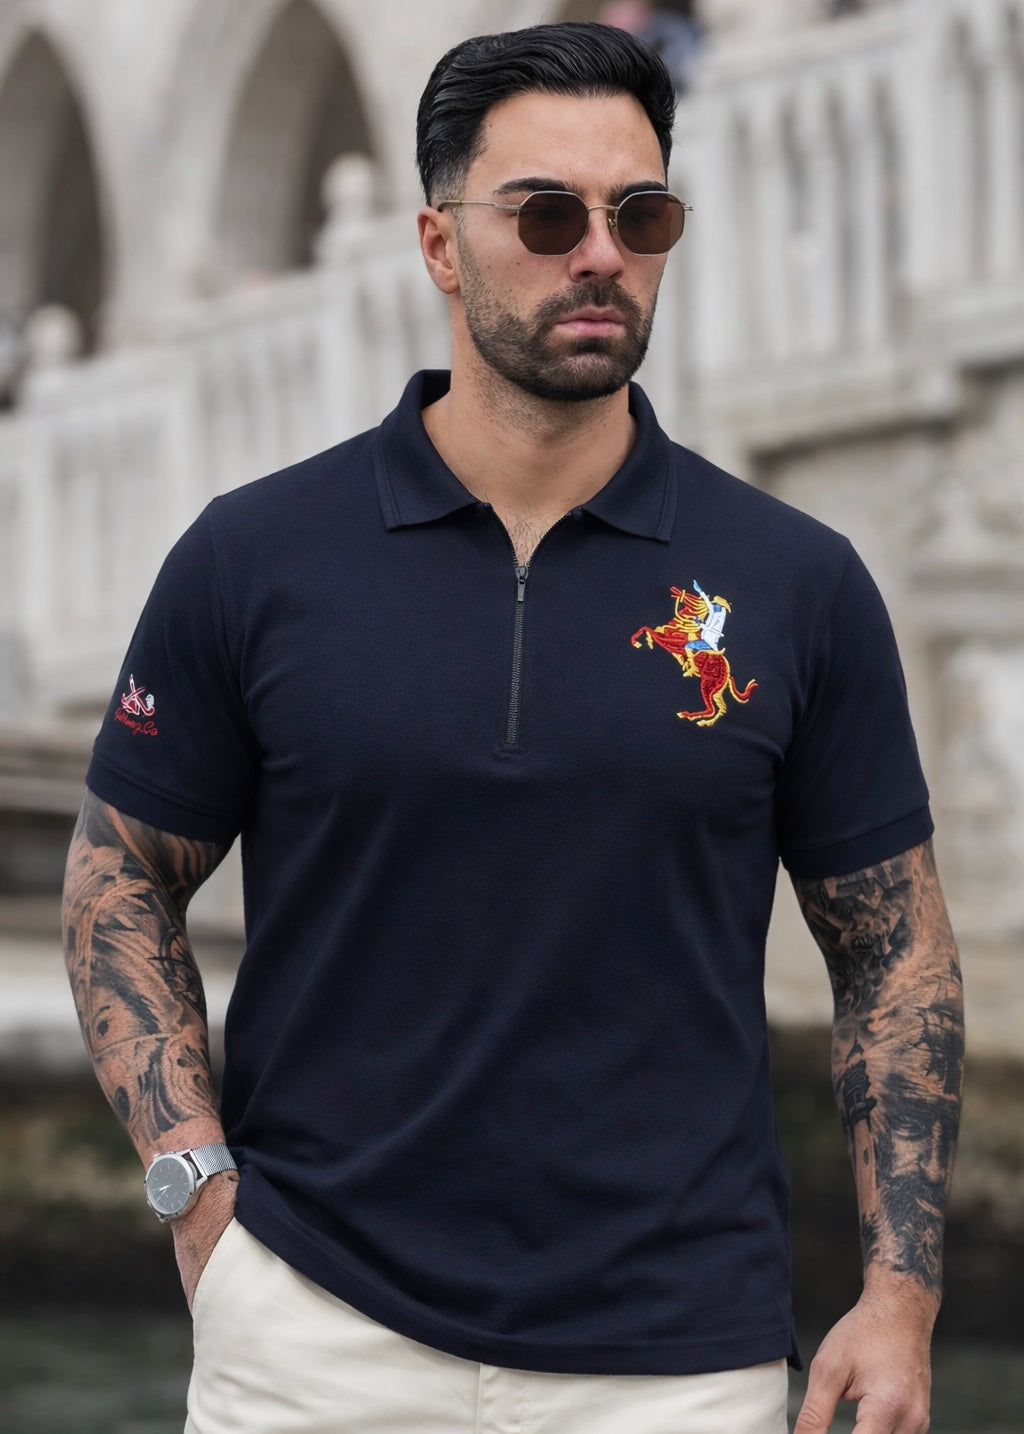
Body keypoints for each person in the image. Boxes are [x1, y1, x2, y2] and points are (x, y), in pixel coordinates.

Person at [62, 21, 963, 1434]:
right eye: (547, 214)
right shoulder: (254, 559)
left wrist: (900, 1297)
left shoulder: (800, 584)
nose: (599, 253)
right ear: (439, 244)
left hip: (677, 1364)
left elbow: (894, 953)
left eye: (640, 216)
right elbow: (119, 872)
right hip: (311, 1336)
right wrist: (196, 1193)